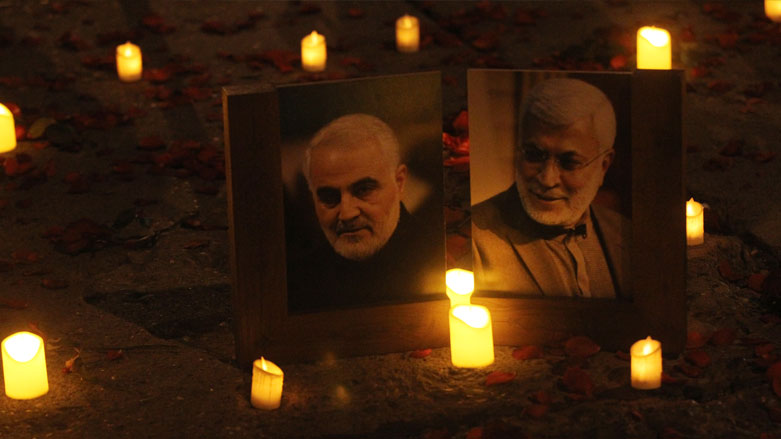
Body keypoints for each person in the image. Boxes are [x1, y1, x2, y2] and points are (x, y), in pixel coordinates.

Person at [471, 78, 631, 299]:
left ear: (604, 165)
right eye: (534, 155)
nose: (547, 179)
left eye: (569, 162)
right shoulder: (473, 237)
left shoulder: (627, 234)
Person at [287, 114, 443, 312]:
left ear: (399, 182)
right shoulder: (300, 280)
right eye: (329, 197)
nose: (347, 213)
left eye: (363, 190)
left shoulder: (440, 258)